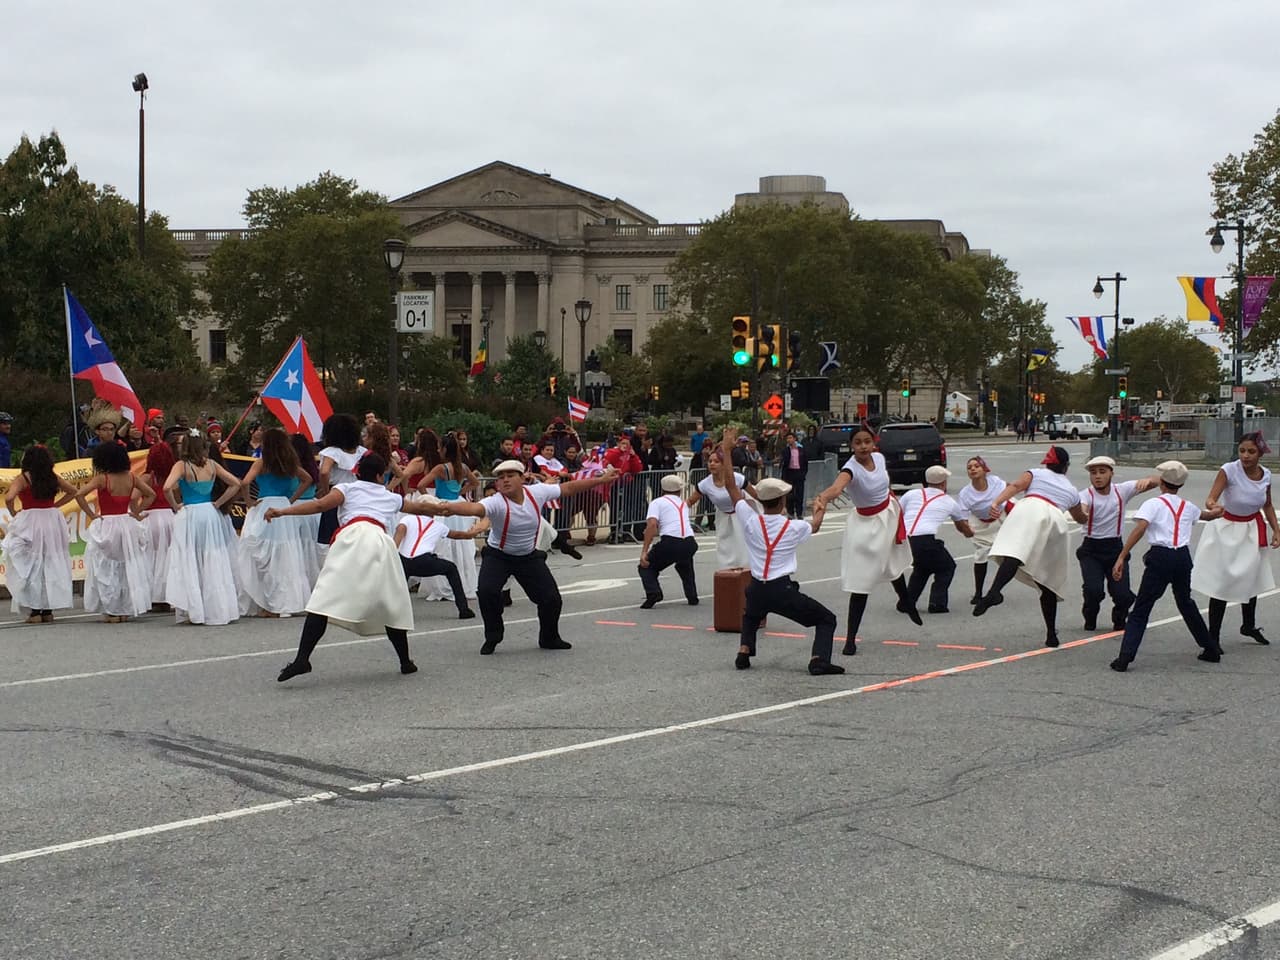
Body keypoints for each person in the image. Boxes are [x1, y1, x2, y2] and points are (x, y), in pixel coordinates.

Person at [269, 453, 448, 681]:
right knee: (388, 602)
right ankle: (405, 661)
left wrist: (283, 511)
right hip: (379, 543)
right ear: (379, 475)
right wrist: (446, 509)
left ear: (358, 472)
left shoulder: (347, 489)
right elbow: (418, 508)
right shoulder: (389, 496)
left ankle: (302, 658)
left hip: (351, 539)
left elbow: (320, 505)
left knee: (323, 599)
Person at [437, 459, 617, 655]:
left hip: (528, 556)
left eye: (510, 476)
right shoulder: (496, 501)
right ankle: (493, 635)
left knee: (551, 599)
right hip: (499, 556)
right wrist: (449, 507)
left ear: (522, 478)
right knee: (487, 592)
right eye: (500, 477)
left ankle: (549, 637)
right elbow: (474, 509)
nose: (504, 480)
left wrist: (601, 480)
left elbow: (569, 487)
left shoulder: (536, 493)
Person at [718, 429, 841, 675]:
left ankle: (744, 650)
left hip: (757, 585)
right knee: (826, 619)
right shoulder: (793, 527)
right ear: (783, 501)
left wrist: (727, 451)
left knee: (751, 613)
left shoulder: (751, 520)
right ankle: (818, 660)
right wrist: (820, 507)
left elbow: (732, 487)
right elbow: (815, 526)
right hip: (780, 588)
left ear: (761, 501)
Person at [813, 425, 917, 657]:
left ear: (873, 443)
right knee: (861, 582)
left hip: (887, 514)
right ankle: (850, 639)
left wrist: (894, 503)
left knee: (893, 562)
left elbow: (884, 484)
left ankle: (906, 602)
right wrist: (823, 498)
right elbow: (836, 488)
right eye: (858, 443)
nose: (863, 446)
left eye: (866, 442)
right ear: (852, 446)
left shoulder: (879, 458)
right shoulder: (850, 469)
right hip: (866, 524)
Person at [1109, 461, 1221, 671]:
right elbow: (1206, 515)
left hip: (1160, 556)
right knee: (1185, 602)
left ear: (1161, 482)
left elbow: (1141, 528)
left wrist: (1122, 555)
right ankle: (1210, 648)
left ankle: (1125, 657)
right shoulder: (1188, 506)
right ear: (1180, 485)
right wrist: (1217, 510)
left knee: (1142, 607)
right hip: (1182, 557)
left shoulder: (1153, 504)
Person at [973, 446, 1089, 648]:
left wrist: (997, 502)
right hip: (1055, 520)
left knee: (1014, 554)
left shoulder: (1035, 473)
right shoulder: (1071, 490)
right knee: (1047, 580)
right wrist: (1090, 514)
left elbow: (1016, 486)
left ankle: (994, 592)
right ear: (1066, 467)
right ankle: (1051, 633)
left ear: (1047, 463)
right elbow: (1080, 518)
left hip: (1030, 508)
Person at [1193, 431, 1280, 647]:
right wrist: (1214, 505)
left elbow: (1267, 505)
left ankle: (1248, 625)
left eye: (1251, 451)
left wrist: (1276, 530)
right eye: (1242, 451)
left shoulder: (1266, 475)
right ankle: (1213, 636)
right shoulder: (1229, 470)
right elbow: (1211, 498)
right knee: (1223, 582)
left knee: (1249, 579)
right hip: (1228, 528)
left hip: (1251, 529)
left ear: (1260, 453)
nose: (1246, 456)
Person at [162, 433, 245, 625]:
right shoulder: (212, 465)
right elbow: (236, 483)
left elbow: (167, 487)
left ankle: (195, 607)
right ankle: (217, 607)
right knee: (212, 558)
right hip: (210, 513)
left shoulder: (181, 465)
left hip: (190, 513)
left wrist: (175, 505)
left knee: (191, 558)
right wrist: (218, 503)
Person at [1, 445, 88, 622]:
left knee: (31, 564)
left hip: (31, 520)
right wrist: (57, 505)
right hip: (51, 519)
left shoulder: (24, 478)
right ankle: (48, 610)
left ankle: (35, 611)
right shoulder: (52, 477)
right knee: (50, 562)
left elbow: (9, 497)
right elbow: (73, 491)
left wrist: (13, 511)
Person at [237, 428, 317, 617]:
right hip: (283, 508)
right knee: (285, 556)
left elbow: (244, 482)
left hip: (265, 506)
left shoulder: (261, 463)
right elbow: (308, 479)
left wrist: (249, 502)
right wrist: (291, 499)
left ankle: (267, 603)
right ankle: (285, 601)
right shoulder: (290, 463)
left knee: (261, 553)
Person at [1076, 456, 1160, 631]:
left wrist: (1148, 480)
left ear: (1111, 473)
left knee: (1122, 595)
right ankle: (1090, 615)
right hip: (1091, 550)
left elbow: (1158, 480)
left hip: (1115, 549)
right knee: (1094, 590)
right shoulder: (1085, 495)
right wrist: (1082, 514)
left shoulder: (1122, 490)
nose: (1097, 476)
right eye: (1093, 473)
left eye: (1102, 472)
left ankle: (1119, 618)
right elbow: (1082, 511)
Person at [76, 440, 156, 622]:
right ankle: (125, 608)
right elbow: (151, 494)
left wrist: (91, 514)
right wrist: (135, 511)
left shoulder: (102, 479)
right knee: (126, 566)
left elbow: (79, 494)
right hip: (126, 524)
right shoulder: (131, 478)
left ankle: (112, 609)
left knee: (106, 566)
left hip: (107, 523)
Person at [416, 433, 481, 603]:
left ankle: (444, 585)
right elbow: (475, 483)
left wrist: (431, 501)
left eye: (439, 447)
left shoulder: (440, 468)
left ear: (445, 449)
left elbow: (421, 485)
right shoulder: (463, 468)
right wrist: (459, 493)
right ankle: (463, 582)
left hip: (442, 507)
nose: (438, 450)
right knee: (461, 546)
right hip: (458, 507)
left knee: (441, 545)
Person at [899, 466, 974, 614]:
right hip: (925, 539)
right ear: (943, 483)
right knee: (947, 567)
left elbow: (898, 513)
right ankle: (937, 603)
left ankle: (906, 602)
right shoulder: (949, 502)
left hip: (905, 539)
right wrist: (970, 533)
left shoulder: (911, 494)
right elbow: (962, 527)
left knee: (922, 568)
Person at [393, 510, 485, 619]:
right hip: (424, 561)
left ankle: (392, 612)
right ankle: (463, 609)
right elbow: (457, 535)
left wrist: (393, 553)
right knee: (451, 568)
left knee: (397, 585)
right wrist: (471, 534)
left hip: (403, 560)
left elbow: (399, 532)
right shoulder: (439, 526)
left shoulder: (407, 519)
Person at [686, 445, 760, 569]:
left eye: (716, 461)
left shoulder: (737, 478)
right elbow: (690, 501)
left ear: (723, 464)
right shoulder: (705, 484)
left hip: (741, 513)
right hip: (723, 515)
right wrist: (675, 511)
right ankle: (728, 570)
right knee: (724, 545)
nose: (712, 464)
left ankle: (748, 569)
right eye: (710, 461)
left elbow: (756, 495)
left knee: (743, 543)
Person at [638, 474, 699, 608]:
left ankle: (653, 592)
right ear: (680, 490)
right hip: (690, 542)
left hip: (670, 542)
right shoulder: (683, 504)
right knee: (685, 563)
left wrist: (644, 551)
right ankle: (692, 596)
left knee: (646, 567)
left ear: (662, 489)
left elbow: (652, 525)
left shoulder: (657, 502)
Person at [956, 457, 1008, 604]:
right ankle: (978, 593)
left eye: (976, 466)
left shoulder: (996, 482)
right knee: (980, 555)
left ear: (985, 469)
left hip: (1001, 519)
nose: (972, 469)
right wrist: (967, 531)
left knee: (1006, 555)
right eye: (969, 467)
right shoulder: (965, 493)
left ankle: (995, 591)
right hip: (980, 524)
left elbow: (1012, 488)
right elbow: (963, 517)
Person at [315, 414, 367, 544]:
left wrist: (325, 491)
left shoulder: (331, 452)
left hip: (336, 493)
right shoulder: (362, 451)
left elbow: (324, 472)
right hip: (358, 494)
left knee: (332, 535)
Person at [141, 440, 178, 610]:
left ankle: (152, 596)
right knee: (168, 557)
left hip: (151, 517)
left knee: (151, 557)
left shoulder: (147, 477)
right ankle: (167, 594)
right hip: (170, 517)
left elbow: (134, 495)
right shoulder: (173, 476)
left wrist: (137, 512)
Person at [603, 434, 644, 544]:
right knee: (615, 508)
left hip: (627, 483)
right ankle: (614, 531)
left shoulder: (631, 455)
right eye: (623, 443)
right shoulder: (613, 452)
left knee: (628, 508)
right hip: (615, 484)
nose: (625, 446)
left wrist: (633, 456)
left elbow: (637, 469)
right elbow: (606, 462)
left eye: (627, 444)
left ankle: (625, 531)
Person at [778, 431, 809, 519]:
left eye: (790, 438)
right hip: (789, 473)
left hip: (799, 473)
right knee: (790, 494)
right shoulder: (786, 450)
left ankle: (799, 513)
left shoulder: (801, 450)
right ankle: (790, 512)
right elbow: (784, 463)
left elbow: (805, 462)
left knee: (799, 494)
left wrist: (803, 473)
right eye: (787, 438)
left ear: (795, 439)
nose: (789, 440)